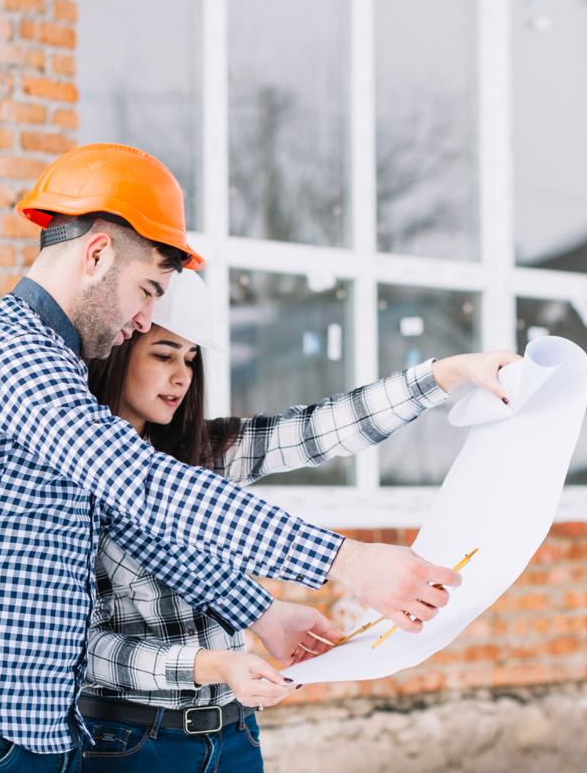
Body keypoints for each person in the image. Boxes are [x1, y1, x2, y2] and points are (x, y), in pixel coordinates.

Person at [0, 144, 484, 773]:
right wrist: (350, 561)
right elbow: (146, 488)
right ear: (98, 255)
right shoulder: (14, 354)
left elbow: (153, 535)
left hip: (15, 735)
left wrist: (261, 612)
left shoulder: (57, 370)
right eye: (149, 290)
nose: (146, 317)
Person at [77, 271, 520, 771]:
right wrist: (216, 663)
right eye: (163, 354)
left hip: (233, 733)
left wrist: (448, 374)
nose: (181, 375)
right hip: (128, 742)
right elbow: (80, 647)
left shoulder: (201, 455)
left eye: (190, 359)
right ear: (118, 352)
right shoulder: (70, 481)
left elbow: (318, 430)